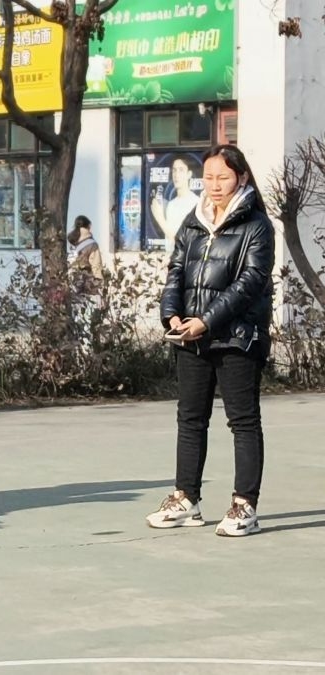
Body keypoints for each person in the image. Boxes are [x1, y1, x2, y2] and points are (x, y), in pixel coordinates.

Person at [147, 144, 274, 537]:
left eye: (223, 177)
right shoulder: (194, 219)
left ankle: (244, 505)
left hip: (237, 337)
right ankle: (186, 498)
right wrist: (172, 313)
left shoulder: (257, 226)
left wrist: (205, 321)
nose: (215, 185)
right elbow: (176, 271)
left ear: (242, 177)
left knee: (243, 422)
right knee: (190, 419)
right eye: (210, 177)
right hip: (191, 336)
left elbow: (249, 283)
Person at [151, 156, 200, 251]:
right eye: (174, 170)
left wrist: (160, 218)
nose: (176, 175)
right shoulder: (171, 204)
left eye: (181, 170)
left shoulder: (195, 203)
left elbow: (182, 242)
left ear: (189, 174)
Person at [67, 215, 104, 297]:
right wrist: (99, 282)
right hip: (86, 281)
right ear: (89, 226)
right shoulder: (92, 244)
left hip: (72, 281)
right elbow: (96, 265)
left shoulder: (71, 241)